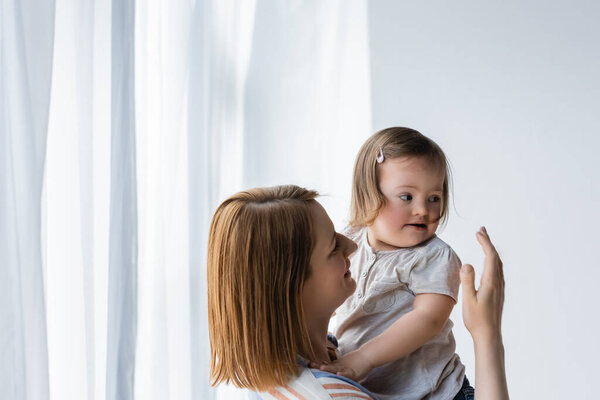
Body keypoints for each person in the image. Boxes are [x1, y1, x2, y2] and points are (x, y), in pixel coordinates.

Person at [207, 185, 508, 399]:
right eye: (333, 247)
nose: (352, 247)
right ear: (292, 286)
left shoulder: (296, 368)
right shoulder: (332, 395)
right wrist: (487, 334)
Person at [322, 127, 468, 399]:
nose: (423, 209)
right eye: (407, 197)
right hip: (367, 387)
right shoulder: (351, 240)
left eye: (434, 198)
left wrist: (363, 358)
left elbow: (428, 318)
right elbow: (330, 292)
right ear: (369, 194)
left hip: (435, 394)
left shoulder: (433, 256)